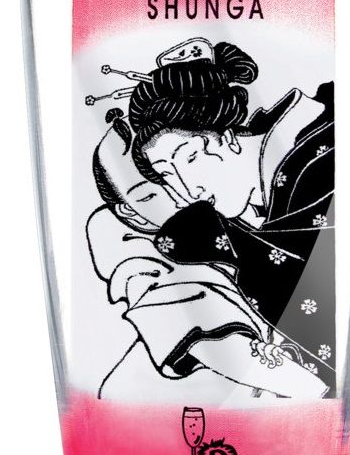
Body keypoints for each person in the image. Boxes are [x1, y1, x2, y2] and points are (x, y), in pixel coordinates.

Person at [128, 39, 335, 389]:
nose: (187, 190)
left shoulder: (321, 157)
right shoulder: (252, 206)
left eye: (190, 157)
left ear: (227, 136)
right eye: (166, 174)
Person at [87, 107, 332, 402]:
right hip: (181, 408)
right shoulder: (140, 260)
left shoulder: (237, 208)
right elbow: (214, 344)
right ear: (128, 211)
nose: (179, 195)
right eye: (149, 194)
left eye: (181, 168)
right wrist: (317, 391)